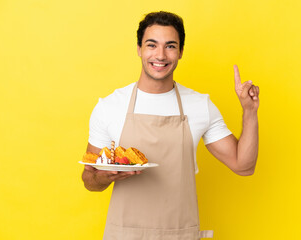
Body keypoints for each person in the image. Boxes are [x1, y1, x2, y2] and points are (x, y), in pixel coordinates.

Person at [82, 11, 259, 240]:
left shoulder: (199, 105)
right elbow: (90, 181)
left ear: (181, 52)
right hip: (124, 235)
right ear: (139, 49)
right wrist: (105, 176)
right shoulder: (110, 107)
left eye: (170, 46)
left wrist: (250, 111)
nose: (161, 55)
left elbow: (243, 166)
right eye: (152, 45)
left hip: (179, 234)